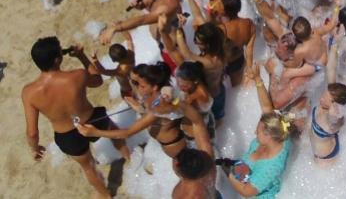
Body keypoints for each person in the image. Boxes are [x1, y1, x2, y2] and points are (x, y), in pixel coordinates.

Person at [22, 37, 129, 199]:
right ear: (58, 59)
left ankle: (105, 195)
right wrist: (81, 56)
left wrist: (35, 148)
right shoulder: (76, 76)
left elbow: (32, 132)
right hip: (92, 119)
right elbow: (98, 80)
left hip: (68, 136)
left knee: (88, 167)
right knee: (115, 133)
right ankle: (130, 158)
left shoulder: (29, 93)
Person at [78, 62, 212, 159]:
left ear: (154, 87)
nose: (138, 89)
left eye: (141, 85)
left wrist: (95, 132)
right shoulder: (155, 95)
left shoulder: (160, 106)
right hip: (168, 139)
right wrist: (140, 107)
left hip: (174, 146)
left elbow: (127, 133)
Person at [221, 62, 296, 198]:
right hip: (244, 172)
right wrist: (258, 80)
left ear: (268, 135)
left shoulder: (271, 168)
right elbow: (267, 109)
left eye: (259, 131)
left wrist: (229, 174)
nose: (255, 133)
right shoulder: (280, 130)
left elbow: (247, 192)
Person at [309, 37, 346, 163]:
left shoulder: (334, 118)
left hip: (325, 158)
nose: (321, 98)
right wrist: (334, 45)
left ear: (334, 104)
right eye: (324, 94)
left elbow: (337, 117)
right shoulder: (329, 100)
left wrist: (337, 112)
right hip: (315, 147)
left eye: (325, 98)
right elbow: (331, 70)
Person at [175, 61, 216, 141]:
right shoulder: (196, 85)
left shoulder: (199, 94)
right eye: (179, 82)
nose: (180, 87)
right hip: (203, 123)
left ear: (195, 81)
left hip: (200, 133)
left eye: (185, 85)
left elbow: (177, 111)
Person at [90, 33, 135, 100]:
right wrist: (120, 28)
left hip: (128, 92)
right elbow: (129, 40)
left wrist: (95, 59)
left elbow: (103, 71)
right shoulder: (131, 54)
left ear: (113, 61)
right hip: (136, 85)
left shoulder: (120, 71)